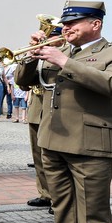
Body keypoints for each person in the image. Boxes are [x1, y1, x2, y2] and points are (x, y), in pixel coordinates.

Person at [15, 0, 112, 223]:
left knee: (92, 211)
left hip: (91, 144)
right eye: (65, 24)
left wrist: (64, 62)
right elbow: (23, 83)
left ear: (95, 24)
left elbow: (110, 85)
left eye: (73, 23)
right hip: (53, 140)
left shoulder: (110, 52)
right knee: (63, 205)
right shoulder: (61, 50)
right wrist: (30, 57)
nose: (66, 28)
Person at [16, 25, 64, 210]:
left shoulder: (65, 55)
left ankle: (58, 198)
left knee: (55, 158)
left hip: (55, 110)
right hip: (37, 108)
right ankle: (45, 193)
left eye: (51, 36)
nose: (46, 40)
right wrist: (31, 55)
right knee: (38, 156)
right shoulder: (39, 56)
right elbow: (22, 83)